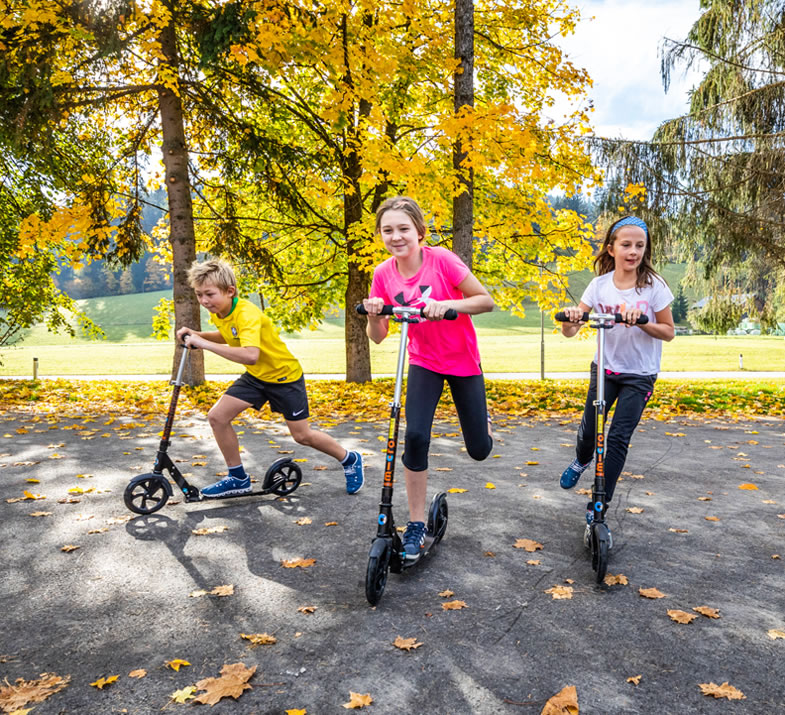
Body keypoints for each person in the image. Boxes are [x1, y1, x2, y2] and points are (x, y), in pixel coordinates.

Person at [362, 196, 494, 562]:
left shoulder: (443, 261)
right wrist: (374, 313)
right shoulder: (382, 274)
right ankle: (417, 523)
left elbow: (485, 301)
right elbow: (377, 335)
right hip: (423, 362)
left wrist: (448, 306)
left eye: (403, 229)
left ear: (419, 232)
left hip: (463, 362)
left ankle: (482, 423)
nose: (396, 236)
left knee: (479, 450)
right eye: (388, 230)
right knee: (415, 437)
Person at [175, 259, 364, 497]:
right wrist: (197, 334)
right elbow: (228, 336)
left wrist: (202, 344)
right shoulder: (220, 312)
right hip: (256, 377)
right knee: (217, 417)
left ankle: (349, 458)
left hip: (284, 378)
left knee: (302, 436)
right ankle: (237, 478)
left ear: (229, 291)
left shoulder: (246, 313)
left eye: (209, 294)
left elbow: (250, 354)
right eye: (199, 294)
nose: (203, 301)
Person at [558, 215, 674, 545]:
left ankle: (599, 504)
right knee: (591, 428)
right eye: (626, 244)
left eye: (640, 245)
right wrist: (572, 317)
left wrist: (642, 323)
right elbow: (570, 331)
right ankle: (580, 461)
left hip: (640, 375)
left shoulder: (654, 287)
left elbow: (668, 332)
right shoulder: (599, 286)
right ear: (612, 248)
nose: (633, 251)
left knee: (619, 438)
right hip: (606, 368)